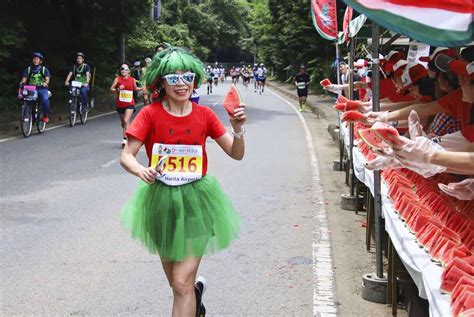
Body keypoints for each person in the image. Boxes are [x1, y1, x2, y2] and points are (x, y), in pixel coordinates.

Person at [120, 46, 245, 316]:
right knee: (179, 286)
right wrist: (142, 171)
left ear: (196, 79)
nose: (182, 84)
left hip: (197, 201)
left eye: (188, 77)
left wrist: (237, 131)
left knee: (181, 282)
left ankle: (192, 295)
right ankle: (195, 301)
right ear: (161, 83)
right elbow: (126, 156)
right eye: (174, 78)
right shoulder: (150, 114)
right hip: (160, 203)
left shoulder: (205, 116)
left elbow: (236, 154)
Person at [110, 64, 140, 147]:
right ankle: (126, 131)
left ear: (128, 71)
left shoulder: (132, 80)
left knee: (126, 121)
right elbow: (111, 89)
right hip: (120, 104)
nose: (123, 71)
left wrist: (143, 88)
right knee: (123, 122)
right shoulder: (117, 79)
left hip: (130, 103)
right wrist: (118, 88)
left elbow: (135, 88)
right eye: (122, 69)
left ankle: (125, 139)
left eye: (125, 69)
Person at [19, 52, 52, 123]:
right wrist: (22, 86)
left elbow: (47, 79)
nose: (35, 60)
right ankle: (30, 116)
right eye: (34, 59)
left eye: (37, 59)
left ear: (40, 61)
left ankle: (46, 115)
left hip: (42, 88)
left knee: (44, 100)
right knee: (27, 100)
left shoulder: (44, 69)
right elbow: (24, 79)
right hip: (31, 88)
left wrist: (45, 83)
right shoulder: (28, 69)